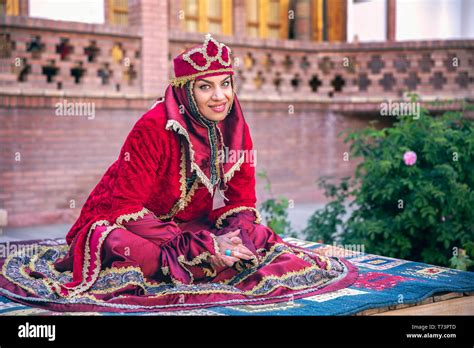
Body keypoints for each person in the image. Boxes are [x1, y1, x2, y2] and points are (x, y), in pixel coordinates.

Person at [0, 34, 357, 312]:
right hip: (120, 223)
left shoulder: (233, 126)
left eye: (225, 83)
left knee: (256, 235)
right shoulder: (154, 126)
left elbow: (243, 200)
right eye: (206, 86)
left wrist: (235, 236)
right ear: (187, 90)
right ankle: (194, 259)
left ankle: (203, 257)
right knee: (119, 244)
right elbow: (125, 208)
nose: (220, 97)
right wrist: (203, 245)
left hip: (183, 225)